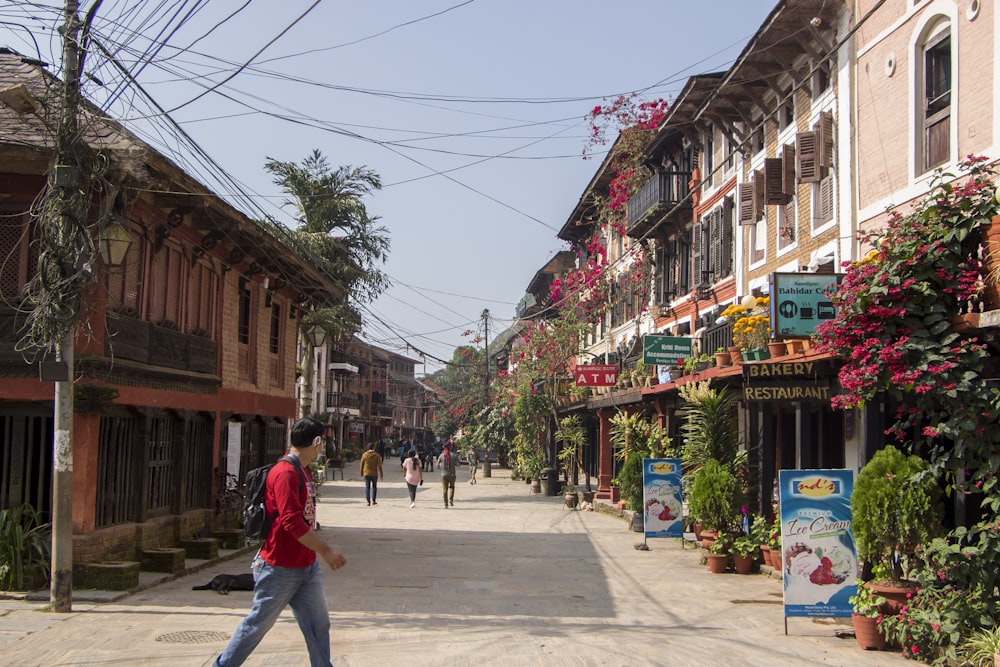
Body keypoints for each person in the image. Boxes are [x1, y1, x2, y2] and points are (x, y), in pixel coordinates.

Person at [213, 417, 346, 667]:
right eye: (322, 443)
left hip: (306, 566)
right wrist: (326, 550)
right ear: (316, 442)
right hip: (279, 567)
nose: (322, 448)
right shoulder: (285, 473)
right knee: (257, 625)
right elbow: (291, 522)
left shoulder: (303, 471)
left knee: (318, 625)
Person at [437, 440, 458, 507]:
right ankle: (451, 500)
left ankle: (445, 504)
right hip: (452, 475)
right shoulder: (454, 455)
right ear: (450, 447)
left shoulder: (441, 455)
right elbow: (458, 464)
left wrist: (441, 469)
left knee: (444, 489)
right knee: (452, 487)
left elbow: (437, 465)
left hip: (443, 475)